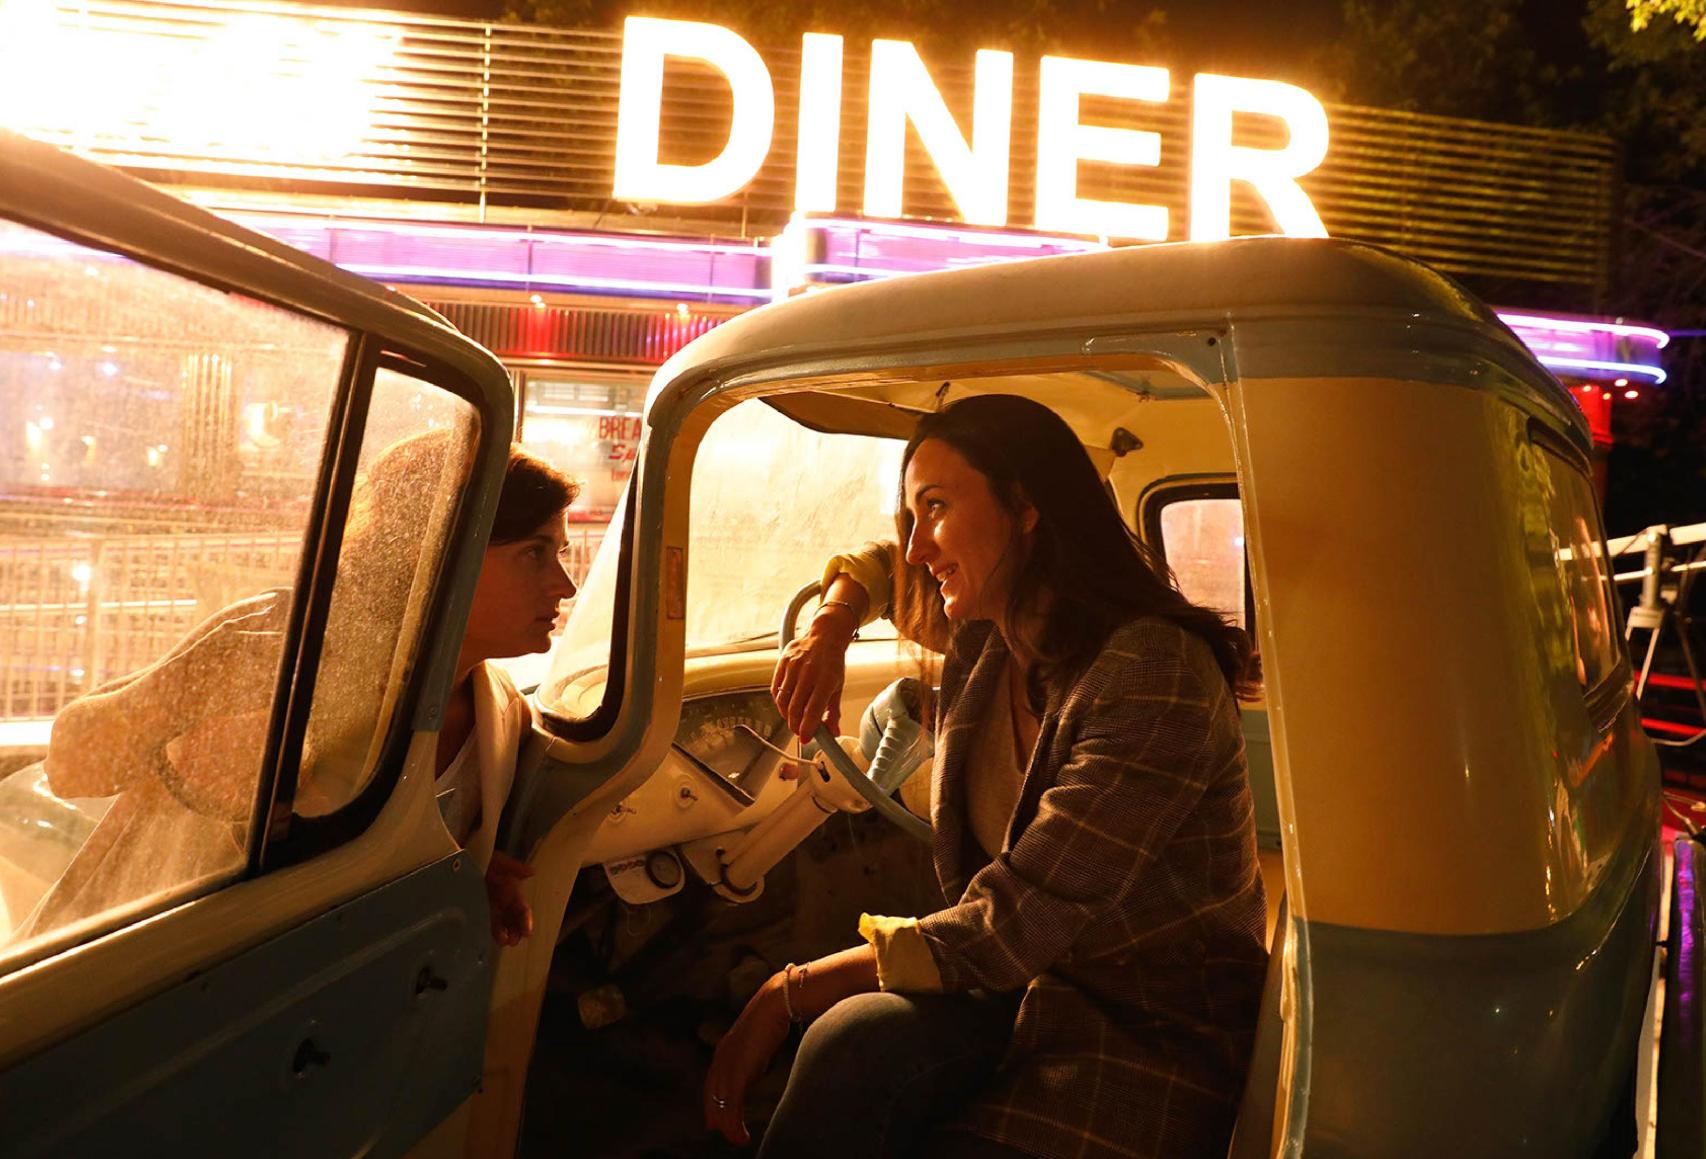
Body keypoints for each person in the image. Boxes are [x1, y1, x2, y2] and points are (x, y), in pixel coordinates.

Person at [703, 395, 1269, 1159]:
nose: (917, 547)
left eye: (936, 508)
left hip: (1135, 1036)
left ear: (1026, 506)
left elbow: (1016, 920)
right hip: (1019, 994)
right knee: (850, 1043)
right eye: (912, 514)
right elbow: (886, 565)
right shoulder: (994, 635)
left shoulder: (1151, 670)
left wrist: (786, 992)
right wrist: (830, 625)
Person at [29, 434, 578, 949]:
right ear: (437, 550)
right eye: (535, 553)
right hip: (145, 966)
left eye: (559, 553)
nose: (566, 585)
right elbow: (71, 766)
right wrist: (185, 697)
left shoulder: (502, 715)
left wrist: (460, 878)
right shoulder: (283, 646)